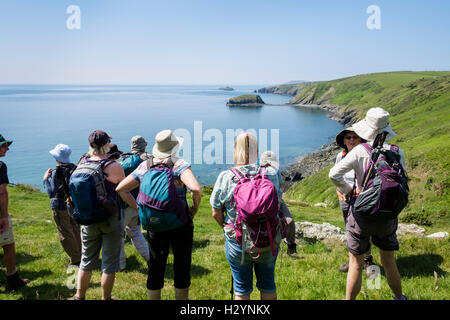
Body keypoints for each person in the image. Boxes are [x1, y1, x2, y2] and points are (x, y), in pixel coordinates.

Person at [329, 108, 407, 300]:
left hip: (362, 213)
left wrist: (348, 189)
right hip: (387, 213)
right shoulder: (397, 151)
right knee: (388, 261)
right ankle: (399, 297)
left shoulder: (360, 151)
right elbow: (403, 179)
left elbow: (333, 175)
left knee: (355, 263)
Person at [116, 130, 202, 300]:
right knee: (182, 265)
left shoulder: (145, 166)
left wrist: (139, 209)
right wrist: (193, 209)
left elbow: (121, 189)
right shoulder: (179, 164)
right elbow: (196, 189)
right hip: (181, 222)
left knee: (156, 265)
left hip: (155, 223)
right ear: (175, 147)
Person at [210, 132, 282, 300]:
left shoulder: (226, 177)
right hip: (268, 238)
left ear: (236, 150)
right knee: (268, 285)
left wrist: (226, 227)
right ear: (257, 151)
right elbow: (278, 202)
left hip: (238, 241)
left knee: (241, 290)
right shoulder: (272, 173)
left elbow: (215, 211)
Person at [71, 130, 129, 300]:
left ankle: (79, 296)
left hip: (87, 219)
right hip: (110, 218)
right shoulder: (114, 166)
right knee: (109, 264)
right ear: (106, 145)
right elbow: (124, 189)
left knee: (86, 261)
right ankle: (106, 298)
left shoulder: (81, 163)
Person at [333, 128, 373, 272]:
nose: (351, 140)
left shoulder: (365, 155)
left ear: (360, 139)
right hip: (346, 198)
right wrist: (339, 191)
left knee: (364, 230)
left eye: (355, 137)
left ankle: (367, 260)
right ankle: (354, 260)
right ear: (344, 141)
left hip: (362, 198)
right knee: (350, 231)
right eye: (348, 137)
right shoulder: (341, 156)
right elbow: (336, 175)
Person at [114, 137, 150, 271]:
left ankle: (121, 265)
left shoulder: (126, 161)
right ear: (144, 147)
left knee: (119, 235)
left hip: (126, 202)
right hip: (141, 202)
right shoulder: (149, 161)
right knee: (134, 231)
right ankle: (150, 258)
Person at [43, 144, 81, 267]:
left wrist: (45, 180)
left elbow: (51, 193)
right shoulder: (74, 168)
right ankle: (79, 255)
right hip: (73, 204)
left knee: (65, 233)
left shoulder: (56, 172)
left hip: (59, 205)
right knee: (75, 230)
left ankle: (75, 260)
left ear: (57, 158)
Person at [0, 134, 30, 291]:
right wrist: (4, 216)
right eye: (4, 145)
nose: (7, 148)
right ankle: (12, 279)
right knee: (8, 245)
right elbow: (2, 192)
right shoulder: (0, 166)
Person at [260, 150, 297, 256]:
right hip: (264, 203)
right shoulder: (258, 172)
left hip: (277, 201)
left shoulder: (276, 171)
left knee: (290, 221)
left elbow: (281, 185)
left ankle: (291, 245)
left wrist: (279, 201)